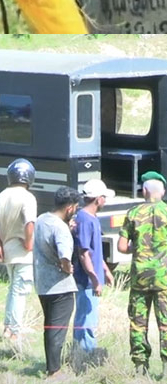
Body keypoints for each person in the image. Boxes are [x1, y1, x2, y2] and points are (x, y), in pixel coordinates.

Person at [118, 171, 167, 377]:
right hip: (165, 279)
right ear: (162, 192)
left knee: (138, 323)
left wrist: (138, 248)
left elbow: (121, 247)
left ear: (144, 191)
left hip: (140, 278)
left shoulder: (133, 213)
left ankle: (140, 366)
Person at [33, 187, 79, 379]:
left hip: (43, 282)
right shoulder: (60, 228)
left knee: (50, 327)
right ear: (70, 208)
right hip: (61, 286)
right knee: (58, 330)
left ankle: (50, 366)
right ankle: (55, 371)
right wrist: (67, 268)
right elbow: (64, 256)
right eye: (75, 208)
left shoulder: (42, 219)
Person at [72, 178, 115, 364]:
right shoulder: (84, 220)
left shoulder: (93, 218)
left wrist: (105, 270)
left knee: (87, 316)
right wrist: (95, 279)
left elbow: (95, 251)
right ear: (98, 199)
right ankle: (85, 356)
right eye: (104, 197)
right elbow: (84, 254)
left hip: (93, 277)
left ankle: (80, 353)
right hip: (87, 281)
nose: (105, 200)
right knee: (87, 319)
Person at [0, 158, 37, 340]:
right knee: (20, 290)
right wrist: (29, 243)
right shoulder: (27, 197)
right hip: (22, 251)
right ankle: (14, 330)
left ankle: (8, 326)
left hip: (7, 249)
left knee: (13, 289)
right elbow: (29, 223)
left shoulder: (2, 195)